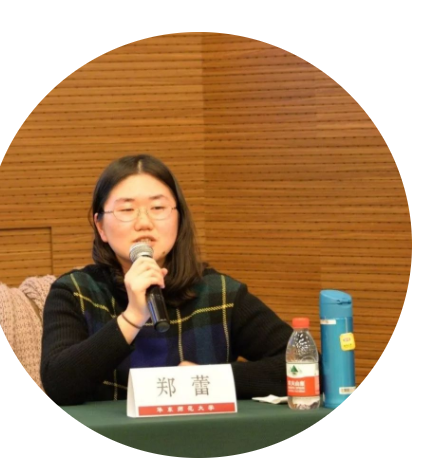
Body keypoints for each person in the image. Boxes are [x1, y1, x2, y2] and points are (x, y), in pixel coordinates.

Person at [40, 154, 294, 406]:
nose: (144, 223)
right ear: (101, 227)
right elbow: (58, 385)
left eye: (158, 208)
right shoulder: (75, 293)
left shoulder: (221, 294)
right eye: (127, 210)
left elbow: (302, 365)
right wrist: (132, 317)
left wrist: (211, 379)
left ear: (179, 218)